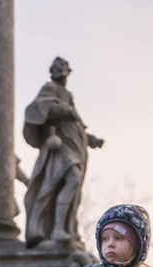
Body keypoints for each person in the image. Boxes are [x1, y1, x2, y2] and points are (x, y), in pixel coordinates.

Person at [22, 57, 104, 246]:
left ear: (69, 71)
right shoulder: (50, 88)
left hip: (75, 143)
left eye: (63, 66)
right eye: (56, 66)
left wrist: (90, 139)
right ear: (51, 71)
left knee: (73, 186)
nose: (59, 69)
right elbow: (38, 109)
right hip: (60, 147)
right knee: (65, 181)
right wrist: (63, 110)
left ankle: (65, 228)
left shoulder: (68, 94)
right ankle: (56, 229)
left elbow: (77, 123)